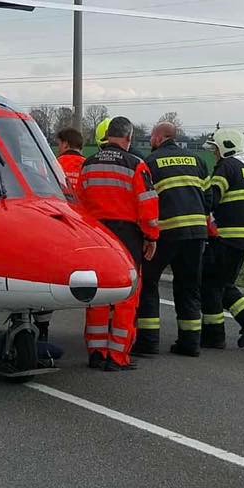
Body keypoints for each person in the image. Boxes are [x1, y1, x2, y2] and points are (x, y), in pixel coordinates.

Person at [75, 116, 159, 371]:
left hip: (96, 234)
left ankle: (96, 352)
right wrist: (151, 237)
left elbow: (78, 202)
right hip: (127, 235)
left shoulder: (88, 165)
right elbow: (148, 205)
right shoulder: (136, 165)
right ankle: (117, 356)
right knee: (126, 294)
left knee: (98, 293)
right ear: (129, 137)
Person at [134, 122, 209, 357]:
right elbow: (208, 199)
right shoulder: (197, 161)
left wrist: (146, 234)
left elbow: (145, 201)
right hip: (196, 233)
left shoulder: (151, 162)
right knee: (189, 287)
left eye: (152, 136)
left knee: (149, 283)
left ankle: (148, 342)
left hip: (165, 233)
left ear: (159, 137)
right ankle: (190, 344)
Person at [201, 128, 244, 349]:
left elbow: (211, 198)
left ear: (226, 148)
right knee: (222, 284)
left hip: (225, 239)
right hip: (241, 239)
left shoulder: (226, 167)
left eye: (216, 149)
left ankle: (215, 335)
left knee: (210, 285)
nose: (214, 154)